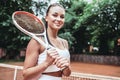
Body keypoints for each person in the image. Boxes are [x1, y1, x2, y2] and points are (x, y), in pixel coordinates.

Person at [23, 3, 71, 80]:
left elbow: (66, 73)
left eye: (62, 17)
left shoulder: (64, 42)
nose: (59, 19)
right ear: (46, 18)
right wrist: (46, 63)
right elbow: (26, 74)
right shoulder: (37, 41)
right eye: (55, 15)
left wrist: (66, 68)